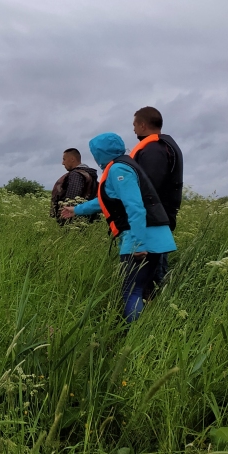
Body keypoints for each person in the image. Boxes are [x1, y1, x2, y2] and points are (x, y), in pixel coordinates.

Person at [61, 133, 176, 323]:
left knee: (132, 291)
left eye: (95, 152)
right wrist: (76, 209)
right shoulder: (125, 165)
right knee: (144, 289)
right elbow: (108, 200)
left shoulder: (118, 169)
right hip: (154, 237)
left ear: (101, 152)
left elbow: (135, 207)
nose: (95, 156)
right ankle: (148, 331)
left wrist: (137, 244)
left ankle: (132, 335)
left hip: (140, 238)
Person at [130, 107, 184, 286]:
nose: (134, 129)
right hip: (157, 219)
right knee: (153, 273)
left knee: (151, 278)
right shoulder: (161, 146)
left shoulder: (154, 150)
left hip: (152, 222)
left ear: (143, 125)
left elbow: (147, 187)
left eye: (135, 125)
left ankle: (154, 309)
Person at [50, 148, 98, 223]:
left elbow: (72, 200)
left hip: (72, 220)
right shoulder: (88, 175)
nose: (62, 163)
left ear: (72, 159)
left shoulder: (76, 175)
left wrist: (64, 220)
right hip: (86, 218)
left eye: (64, 159)